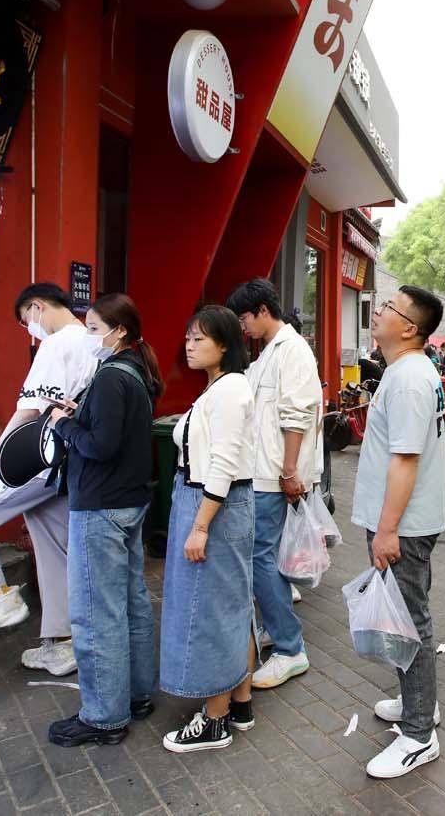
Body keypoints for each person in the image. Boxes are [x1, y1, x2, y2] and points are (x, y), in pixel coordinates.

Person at [0, 283, 95, 675]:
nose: (31, 330)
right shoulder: (94, 342)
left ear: (37, 307)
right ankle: (64, 643)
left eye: (28, 321)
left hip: (38, 458)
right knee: (56, 547)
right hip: (71, 460)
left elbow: (28, 412)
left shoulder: (58, 344)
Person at [45, 294, 163, 747]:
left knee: (97, 613)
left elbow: (100, 445)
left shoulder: (112, 377)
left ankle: (103, 715)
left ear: (120, 332)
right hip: (129, 503)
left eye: (95, 328)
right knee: (130, 603)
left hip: (101, 506)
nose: (90, 336)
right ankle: (135, 695)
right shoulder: (132, 372)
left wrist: (63, 423)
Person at [358, 286, 445, 779]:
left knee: (410, 623)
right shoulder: (405, 372)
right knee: (402, 619)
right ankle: (419, 704)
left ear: (410, 327)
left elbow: (406, 459)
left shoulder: (410, 378)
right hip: (403, 522)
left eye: (389, 308)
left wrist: (387, 529)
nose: (378, 311)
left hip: (403, 527)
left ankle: (418, 735)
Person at [160, 306, 258, 753]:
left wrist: (200, 525)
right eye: (188, 336)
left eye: (200, 338)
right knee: (231, 604)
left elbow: (221, 463)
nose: (190, 344)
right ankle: (239, 700)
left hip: (214, 505)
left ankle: (215, 719)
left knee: (213, 609)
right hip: (211, 503)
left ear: (224, 344)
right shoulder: (219, 388)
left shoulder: (231, 389)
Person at [225, 279, 323, 690]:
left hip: (274, 475)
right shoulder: (268, 352)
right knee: (266, 558)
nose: (243, 326)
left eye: (245, 317)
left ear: (263, 310)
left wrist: (288, 472)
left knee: (261, 558)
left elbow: (296, 415)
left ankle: (289, 647)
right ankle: (278, 629)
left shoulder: (293, 351)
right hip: (265, 471)